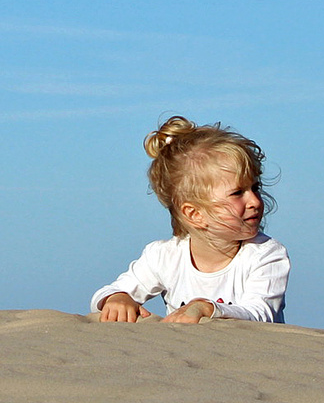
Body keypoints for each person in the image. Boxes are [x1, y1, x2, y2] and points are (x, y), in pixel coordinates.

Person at [90, 116, 289, 324]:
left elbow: (260, 313)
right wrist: (118, 298)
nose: (254, 201)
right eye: (237, 193)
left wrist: (207, 308)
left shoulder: (266, 254)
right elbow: (106, 294)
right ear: (195, 214)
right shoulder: (164, 257)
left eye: (255, 188)